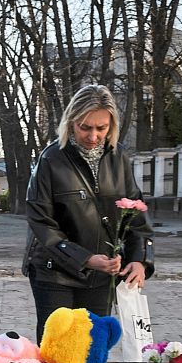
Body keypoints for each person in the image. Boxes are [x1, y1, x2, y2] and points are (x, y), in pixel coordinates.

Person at [22, 84, 155, 343]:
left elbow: (136, 216)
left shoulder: (119, 160)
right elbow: (41, 222)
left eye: (101, 128)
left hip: (102, 276)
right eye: (85, 127)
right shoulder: (51, 160)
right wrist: (84, 259)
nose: (93, 136)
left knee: (93, 351)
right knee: (57, 354)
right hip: (54, 273)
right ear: (71, 122)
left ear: (111, 126)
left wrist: (140, 259)